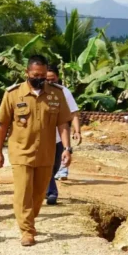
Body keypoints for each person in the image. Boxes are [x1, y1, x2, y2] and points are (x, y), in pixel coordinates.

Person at [0, 55, 73, 247]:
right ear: (27, 73)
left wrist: (67, 148)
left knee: (38, 194)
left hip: (46, 153)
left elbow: (63, 123)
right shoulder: (13, 94)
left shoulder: (56, 94)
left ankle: (30, 220)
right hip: (21, 151)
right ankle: (27, 231)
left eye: (42, 75)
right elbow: (3, 125)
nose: (39, 78)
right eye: (35, 75)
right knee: (23, 191)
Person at [45, 65, 81, 205]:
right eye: (46, 79)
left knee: (54, 166)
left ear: (57, 78)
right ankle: (51, 193)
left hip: (59, 137)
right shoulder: (36, 92)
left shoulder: (64, 92)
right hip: (41, 138)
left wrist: (77, 131)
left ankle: (44, 188)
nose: (49, 82)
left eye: (52, 79)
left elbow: (73, 114)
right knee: (46, 165)